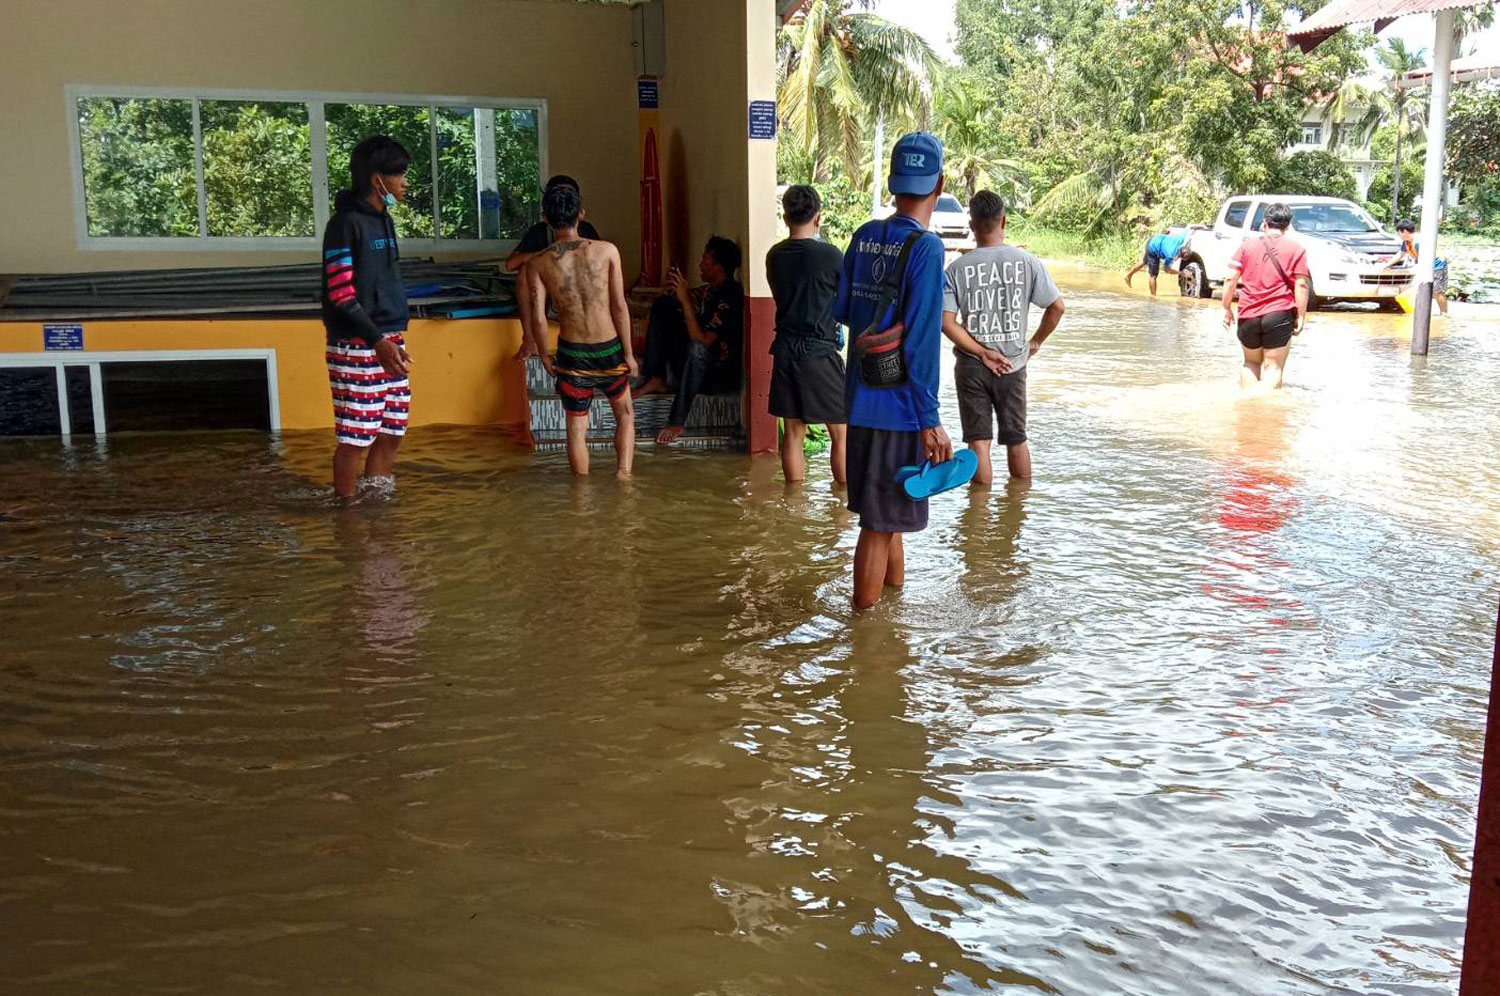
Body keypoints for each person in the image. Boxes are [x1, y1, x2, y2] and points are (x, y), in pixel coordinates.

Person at [834, 132, 953, 610]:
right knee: (878, 526)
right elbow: (923, 341)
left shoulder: (864, 235)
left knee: (889, 518)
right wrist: (930, 419)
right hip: (899, 409)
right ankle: (864, 641)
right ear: (939, 183)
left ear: (892, 183)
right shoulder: (926, 248)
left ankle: (892, 618)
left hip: (859, 398)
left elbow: (844, 310)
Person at [942, 191, 1066, 484]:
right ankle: (1016, 514)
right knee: (1017, 439)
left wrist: (982, 352)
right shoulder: (1027, 261)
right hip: (1013, 364)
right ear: (1004, 221)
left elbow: (947, 323)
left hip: (972, 366)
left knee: (978, 444)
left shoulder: (957, 269)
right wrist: (1035, 342)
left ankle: (979, 517)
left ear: (971, 225)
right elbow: (1057, 307)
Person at [521, 183, 637, 477]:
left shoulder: (537, 264)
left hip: (572, 351)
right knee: (624, 415)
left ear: (545, 218)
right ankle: (624, 476)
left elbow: (537, 316)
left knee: (576, 427)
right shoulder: (608, 251)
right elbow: (619, 306)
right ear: (581, 215)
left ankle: (581, 496)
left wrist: (545, 354)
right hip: (609, 347)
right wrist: (630, 354)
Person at [321, 135, 415, 499]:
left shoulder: (384, 219)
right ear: (378, 179)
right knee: (355, 438)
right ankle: (347, 516)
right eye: (399, 174)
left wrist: (389, 341)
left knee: (392, 431)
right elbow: (341, 294)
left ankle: (376, 505)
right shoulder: (344, 224)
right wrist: (377, 341)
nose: (404, 181)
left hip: (390, 340)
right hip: (358, 346)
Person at [766, 185, 848, 484]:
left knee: (794, 431)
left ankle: (794, 505)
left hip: (786, 351)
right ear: (818, 217)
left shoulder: (774, 256)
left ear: (785, 217)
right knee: (841, 431)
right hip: (819, 352)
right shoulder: (830, 256)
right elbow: (845, 300)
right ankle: (844, 504)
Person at [633, 236, 744, 444]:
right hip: (692, 365)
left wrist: (684, 300)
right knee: (664, 305)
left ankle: (677, 420)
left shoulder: (730, 296)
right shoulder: (708, 290)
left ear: (718, 267)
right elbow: (680, 308)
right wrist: (676, 293)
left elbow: (702, 341)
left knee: (696, 348)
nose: (700, 265)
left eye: (705, 261)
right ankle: (656, 378)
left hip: (715, 375)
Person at [1221, 202, 1308, 392]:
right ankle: (1266, 414)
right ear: (1288, 225)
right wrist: (1301, 316)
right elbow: (1301, 284)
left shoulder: (1247, 246)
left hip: (1248, 313)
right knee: (1273, 368)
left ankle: (1248, 410)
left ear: (1265, 223)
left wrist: (1226, 307)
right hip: (1279, 314)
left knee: (1250, 363)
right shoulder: (1296, 249)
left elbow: (1230, 278)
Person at [504, 175, 604, 274]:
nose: (563, 200)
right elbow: (511, 264)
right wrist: (550, 252)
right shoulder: (538, 231)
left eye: (568, 195)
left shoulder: (587, 229)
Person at [1387, 218, 1449, 315]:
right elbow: (1400, 255)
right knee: (1424, 290)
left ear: (1405, 232)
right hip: (1426, 266)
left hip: (1438, 265)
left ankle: (1444, 314)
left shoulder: (1419, 242)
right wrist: (1386, 265)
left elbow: (1426, 258)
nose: (1398, 235)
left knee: (1437, 292)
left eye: (1398, 233)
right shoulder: (1406, 242)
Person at [1125, 228, 1189, 296]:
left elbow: (1187, 229)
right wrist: (1180, 273)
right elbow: (1167, 270)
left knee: (1144, 261)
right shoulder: (1171, 255)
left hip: (1155, 238)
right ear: (1179, 256)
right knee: (1153, 276)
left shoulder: (1181, 239)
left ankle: (1128, 276)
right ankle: (1153, 298)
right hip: (1153, 248)